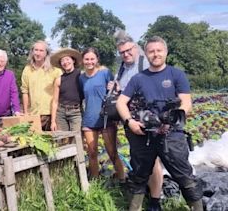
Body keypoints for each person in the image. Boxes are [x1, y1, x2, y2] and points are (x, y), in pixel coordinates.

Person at [116, 36, 203, 211]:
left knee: (184, 175)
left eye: (159, 50)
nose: (155, 54)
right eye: (151, 51)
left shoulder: (176, 74)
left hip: (172, 136)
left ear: (165, 52)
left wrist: (174, 116)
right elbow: (120, 102)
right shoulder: (138, 78)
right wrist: (130, 121)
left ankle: (197, 207)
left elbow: (186, 102)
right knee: (139, 176)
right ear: (146, 54)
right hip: (144, 135)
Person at [111, 32, 164, 210]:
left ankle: (155, 200)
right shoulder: (121, 69)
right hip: (129, 119)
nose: (126, 54)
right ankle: (144, 193)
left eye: (128, 50)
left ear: (135, 48)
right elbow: (122, 95)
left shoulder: (145, 63)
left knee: (153, 159)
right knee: (138, 157)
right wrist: (115, 88)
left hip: (147, 117)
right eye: (122, 52)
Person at [79, 47, 125, 181]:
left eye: (92, 59)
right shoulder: (81, 78)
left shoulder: (105, 73)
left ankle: (122, 178)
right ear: (83, 60)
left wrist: (115, 88)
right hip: (89, 119)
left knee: (112, 152)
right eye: (86, 59)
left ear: (97, 59)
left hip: (105, 119)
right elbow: (81, 97)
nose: (89, 62)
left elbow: (116, 92)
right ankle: (95, 181)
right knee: (92, 153)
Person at [21, 40, 62, 131]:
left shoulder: (55, 70)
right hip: (34, 114)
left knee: (53, 143)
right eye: (36, 50)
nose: (38, 53)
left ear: (46, 53)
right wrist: (26, 112)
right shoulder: (27, 70)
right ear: (32, 52)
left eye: (41, 51)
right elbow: (25, 91)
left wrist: (54, 119)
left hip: (51, 114)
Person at [50, 48, 83, 131]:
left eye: (67, 59)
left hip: (76, 111)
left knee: (76, 138)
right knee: (63, 139)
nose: (65, 62)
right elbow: (55, 101)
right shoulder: (59, 80)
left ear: (73, 61)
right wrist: (53, 121)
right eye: (62, 61)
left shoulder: (81, 75)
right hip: (61, 112)